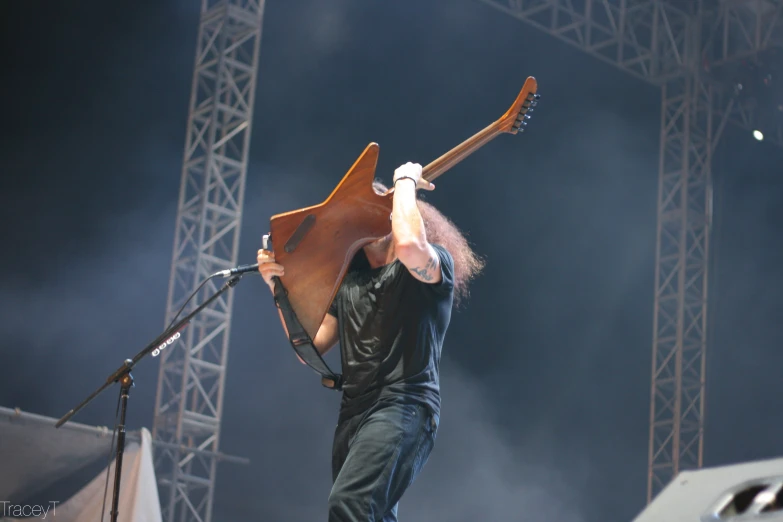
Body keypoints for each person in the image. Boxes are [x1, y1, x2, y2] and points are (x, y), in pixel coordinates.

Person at [257, 162, 484, 521]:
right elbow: (311, 347)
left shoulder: (430, 265)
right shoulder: (350, 281)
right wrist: (278, 291)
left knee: (350, 506)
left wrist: (405, 182)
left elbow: (410, 245)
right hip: (354, 413)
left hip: (402, 405)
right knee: (371, 514)